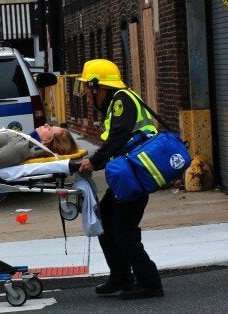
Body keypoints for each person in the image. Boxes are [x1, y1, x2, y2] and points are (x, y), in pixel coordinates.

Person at [74, 59, 163, 300]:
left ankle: (149, 282)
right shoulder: (116, 102)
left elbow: (119, 137)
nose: (85, 95)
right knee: (106, 220)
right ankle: (121, 276)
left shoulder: (121, 100)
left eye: (86, 89)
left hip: (133, 177)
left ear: (98, 87)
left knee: (123, 230)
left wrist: (94, 161)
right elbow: (116, 140)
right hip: (127, 176)